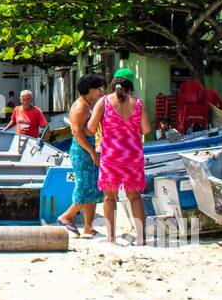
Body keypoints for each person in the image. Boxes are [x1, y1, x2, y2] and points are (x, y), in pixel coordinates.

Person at [88, 68, 151, 245]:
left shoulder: (104, 102)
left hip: (111, 156)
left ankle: (111, 238)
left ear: (114, 82)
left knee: (109, 198)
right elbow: (146, 129)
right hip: (132, 156)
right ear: (131, 85)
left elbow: (92, 128)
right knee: (135, 197)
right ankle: (141, 238)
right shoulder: (138, 103)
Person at [56, 74, 107, 237]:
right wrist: (92, 152)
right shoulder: (81, 107)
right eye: (99, 88)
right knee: (85, 187)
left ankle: (88, 227)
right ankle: (66, 216)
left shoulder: (88, 105)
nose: (101, 91)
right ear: (90, 89)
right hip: (82, 150)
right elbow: (76, 132)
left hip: (88, 148)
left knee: (92, 187)